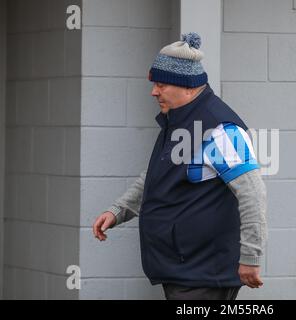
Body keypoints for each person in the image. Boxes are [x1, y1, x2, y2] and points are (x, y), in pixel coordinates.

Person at [92, 33, 267, 300]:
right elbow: (156, 177)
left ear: (187, 86)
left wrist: (250, 256)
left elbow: (253, 195)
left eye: (161, 85)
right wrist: (119, 210)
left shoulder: (219, 128)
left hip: (204, 274)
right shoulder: (180, 121)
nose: (154, 92)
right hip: (185, 270)